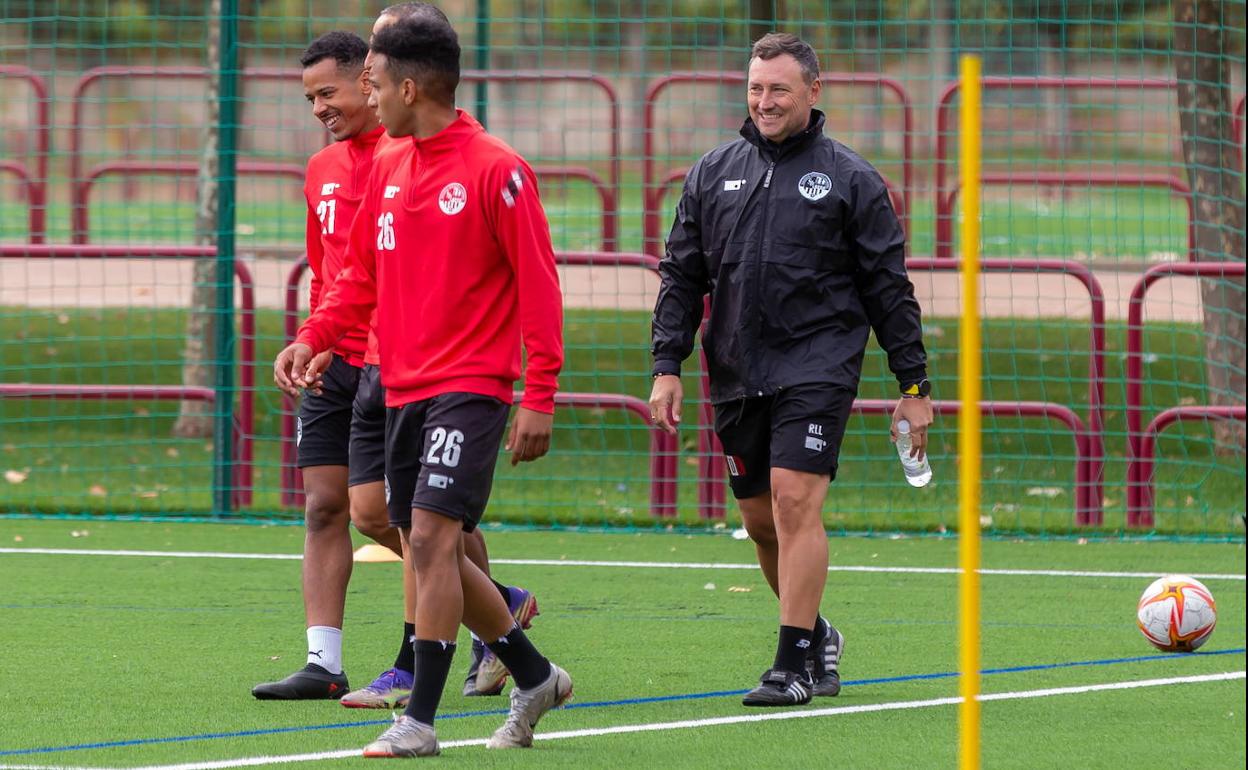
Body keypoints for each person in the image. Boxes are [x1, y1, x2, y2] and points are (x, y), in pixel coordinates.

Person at [274, 13, 571, 758]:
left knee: (434, 539)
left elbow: (540, 289)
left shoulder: (497, 169)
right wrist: (314, 337)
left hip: (471, 385)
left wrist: (541, 391)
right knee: (415, 538)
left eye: (372, 84)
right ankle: (534, 675)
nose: (366, 99)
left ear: (408, 86)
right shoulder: (387, 166)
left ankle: (419, 720)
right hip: (396, 385)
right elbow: (358, 280)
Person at [648, 32, 932, 708]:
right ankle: (817, 637)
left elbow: (888, 288)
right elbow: (681, 275)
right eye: (755, 88)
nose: (765, 101)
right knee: (759, 520)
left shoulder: (852, 177)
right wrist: (667, 363)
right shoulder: (713, 171)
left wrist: (913, 385)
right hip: (737, 368)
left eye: (779, 89)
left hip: (819, 364)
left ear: (812, 91)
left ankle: (789, 667)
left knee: (795, 500)